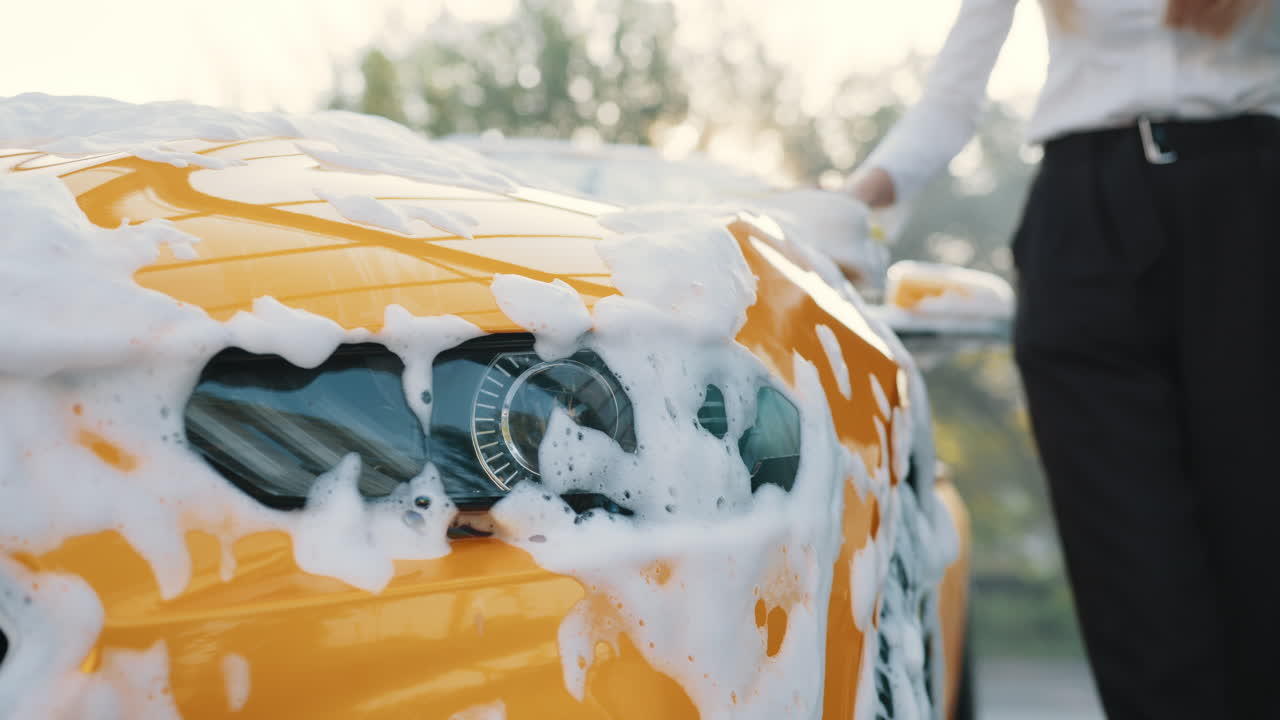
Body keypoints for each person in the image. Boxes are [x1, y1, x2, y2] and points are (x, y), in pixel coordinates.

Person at [846, 1, 1278, 718]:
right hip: (1087, 234)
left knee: (1264, 583)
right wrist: (841, 210)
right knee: (1143, 604)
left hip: (1254, 223)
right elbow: (953, 97)